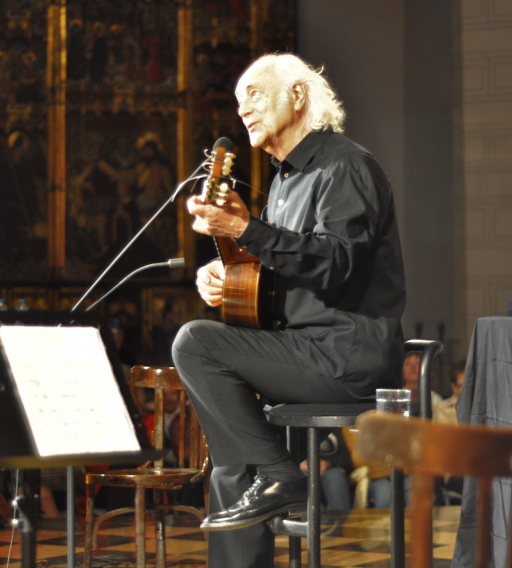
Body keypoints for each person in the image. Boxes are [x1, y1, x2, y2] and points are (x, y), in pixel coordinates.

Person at [171, 53, 406, 568]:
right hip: (302, 350)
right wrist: (231, 271)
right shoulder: (283, 182)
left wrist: (245, 231)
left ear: (298, 95)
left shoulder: (345, 166)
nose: (243, 110)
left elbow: (336, 264)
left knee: (195, 342)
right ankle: (276, 474)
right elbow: (285, 272)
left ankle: (282, 474)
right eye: (237, 103)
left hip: (344, 355)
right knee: (232, 461)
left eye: (254, 94)